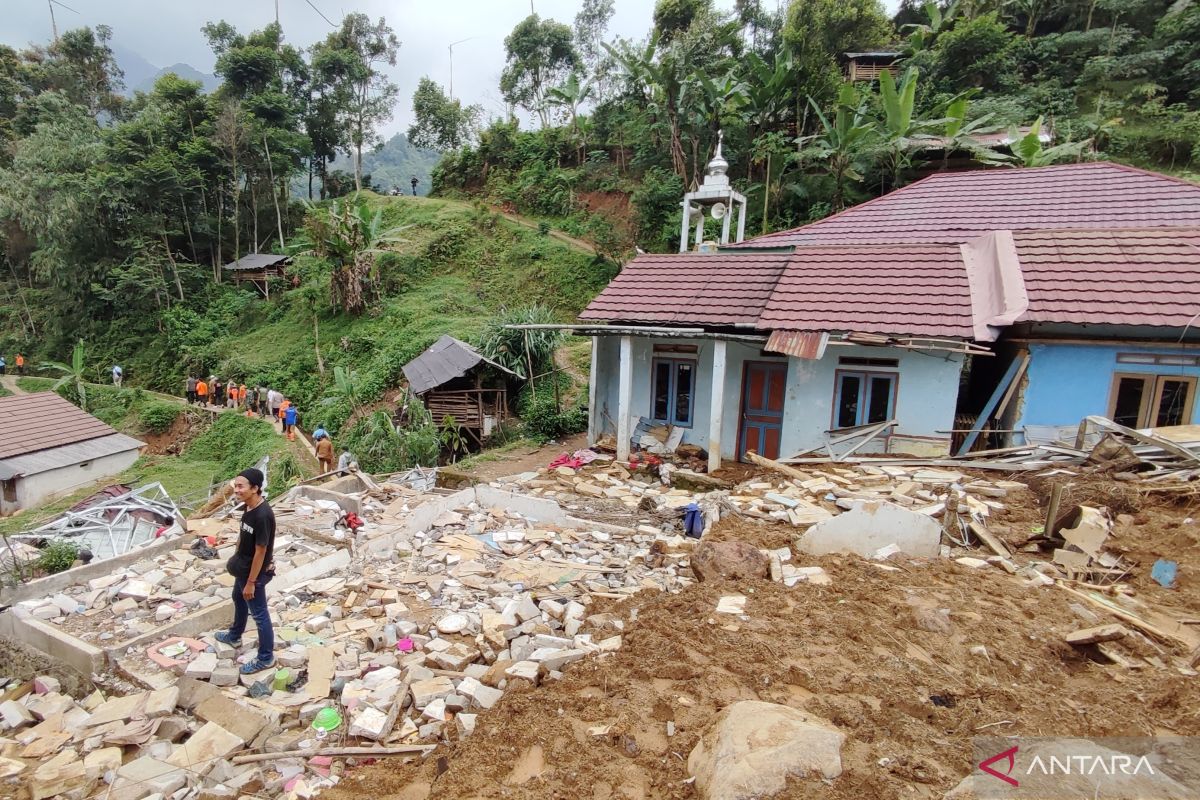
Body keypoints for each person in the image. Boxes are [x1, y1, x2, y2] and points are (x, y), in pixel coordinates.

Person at [215, 468, 276, 674]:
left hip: (254, 572)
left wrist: (251, 581)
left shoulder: (263, 515)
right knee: (238, 598)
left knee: (259, 614)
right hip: (242, 567)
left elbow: (261, 550)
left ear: (255, 488)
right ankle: (234, 635)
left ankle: (266, 657)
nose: (236, 490)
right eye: (236, 485)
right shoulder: (248, 508)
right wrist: (236, 554)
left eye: (241, 486)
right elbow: (243, 534)